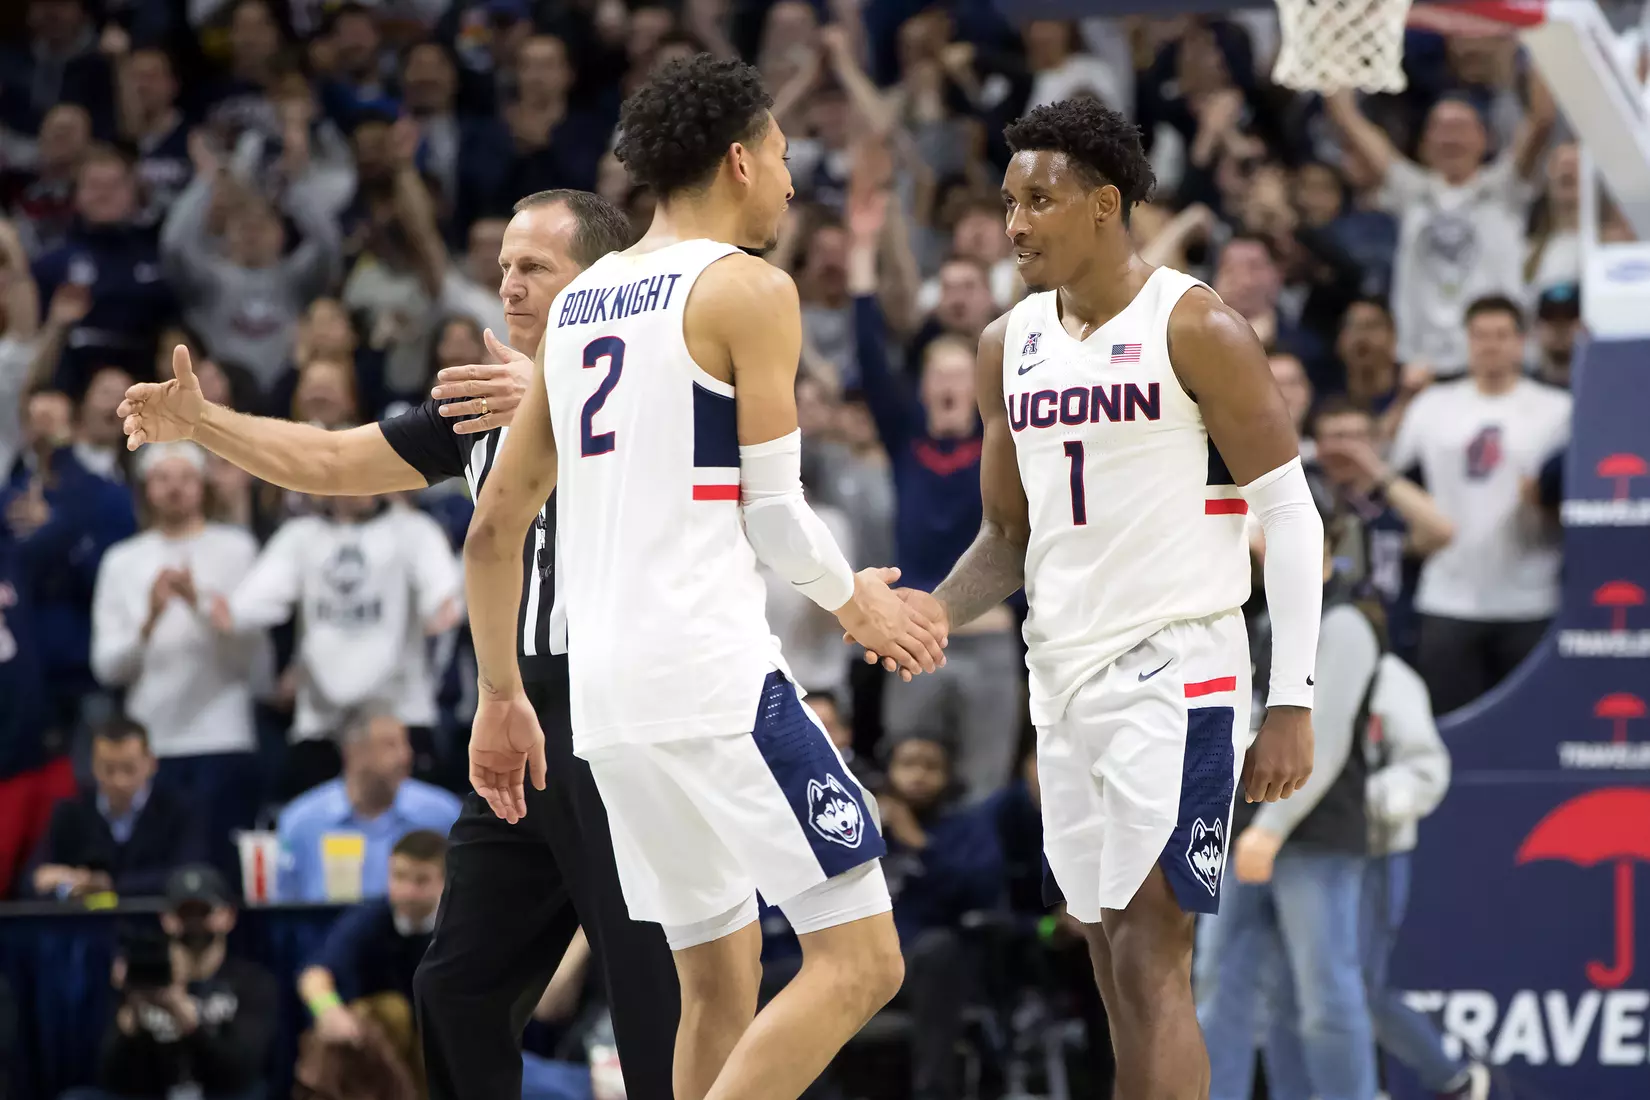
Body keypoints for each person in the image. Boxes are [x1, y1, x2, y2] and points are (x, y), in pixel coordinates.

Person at [116, 189, 683, 1100]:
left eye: (534, 267)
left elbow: (708, 479)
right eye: (502, 267)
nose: (509, 287)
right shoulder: (480, 402)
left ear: (603, 279)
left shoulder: (663, 379)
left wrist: (559, 395)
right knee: (456, 987)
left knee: (650, 990)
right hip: (517, 721)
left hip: (623, 718)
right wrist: (206, 426)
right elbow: (336, 461)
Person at [463, 53, 943, 1100]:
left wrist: (500, 693)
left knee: (718, 982)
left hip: (607, 707)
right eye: (778, 156)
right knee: (865, 960)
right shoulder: (747, 287)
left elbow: (494, 527)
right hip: (714, 680)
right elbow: (771, 510)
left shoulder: (581, 303)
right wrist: (858, 598)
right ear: (737, 158)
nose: (785, 179)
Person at [856, 97, 1323, 1100]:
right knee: (1110, 959)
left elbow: (1294, 516)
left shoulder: (1195, 324)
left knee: (1157, 958)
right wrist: (933, 609)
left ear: (1106, 205)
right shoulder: (1004, 345)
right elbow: (1006, 535)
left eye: (1040, 200)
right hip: (1061, 681)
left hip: (1180, 669)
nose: (1016, 223)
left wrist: (1291, 697)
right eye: (1008, 201)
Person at [89, 865, 278, 1100]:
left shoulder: (253, 983)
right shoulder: (141, 977)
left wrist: (182, 1012)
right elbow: (111, 1077)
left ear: (228, 917)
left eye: (203, 912)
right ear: (166, 919)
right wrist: (133, 1015)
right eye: (185, 913)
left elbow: (241, 1071)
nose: (194, 922)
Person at [275, 711, 461, 902]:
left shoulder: (442, 814)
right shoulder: (301, 822)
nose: (405, 756)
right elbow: (286, 910)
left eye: (406, 744)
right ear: (354, 752)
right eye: (390, 745)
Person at [29, 716, 204, 899]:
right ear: (93, 766)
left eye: (129, 769)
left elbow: (188, 873)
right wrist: (66, 882)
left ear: (151, 764)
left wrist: (108, 884)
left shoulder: (179, 810)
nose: (119, 781)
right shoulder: (71, 811)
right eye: (109, 769)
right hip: (86, 921)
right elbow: (35, 878)